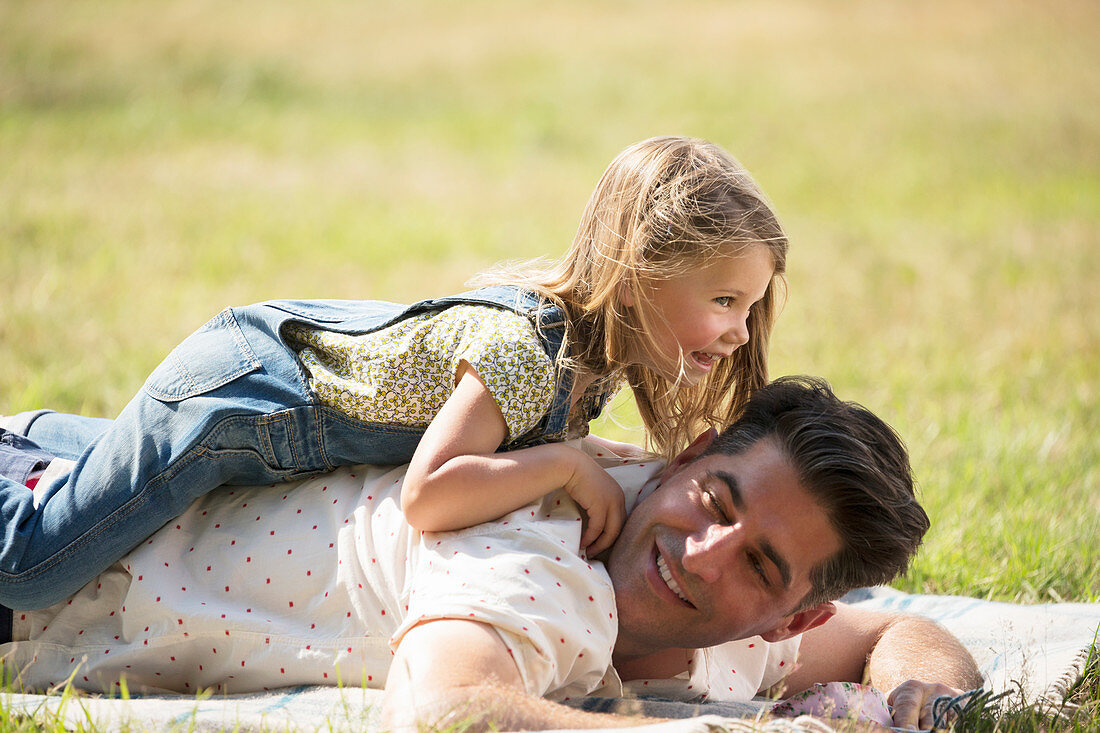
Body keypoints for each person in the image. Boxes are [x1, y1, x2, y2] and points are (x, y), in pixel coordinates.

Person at [0, 136, 789, 610]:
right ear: (647, 270)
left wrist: (594, 462)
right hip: (233, 406)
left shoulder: (594, 360)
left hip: (263, 412)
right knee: (32, 568)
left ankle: (22, 440)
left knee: (105, 481)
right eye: (724, 299)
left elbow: (528, 448)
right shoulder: (525, 352)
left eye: (749, 308)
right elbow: (429, 495)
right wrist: (561, 465)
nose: (737, 330)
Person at [0, 378, 981, 730]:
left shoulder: (732, 631)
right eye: (711, 498)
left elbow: (897, 627)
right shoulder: (542, 547)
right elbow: (447, 711)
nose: (700, 549)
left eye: (761, 566)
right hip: (34, 541)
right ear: (684, 458)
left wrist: (913, 713)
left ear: (793, 615)